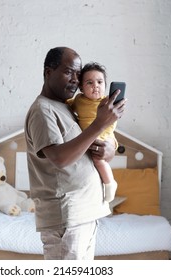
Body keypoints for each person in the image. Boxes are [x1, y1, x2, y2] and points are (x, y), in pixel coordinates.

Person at [24, 47, 126, 260]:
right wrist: (99, 124)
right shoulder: (43, 111)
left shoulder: (68, 107)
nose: (75, 79)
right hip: (67, 218)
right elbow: (60, 159)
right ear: (48, 72)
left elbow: (86, 147)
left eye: (78, 74)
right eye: (68, 72)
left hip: (84, 213)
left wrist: (109, 149)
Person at [67, 62, 118, 203]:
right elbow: (67, 105)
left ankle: (110, 184)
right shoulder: (79, 100)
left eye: (100, 82)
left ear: (105, 85)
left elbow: (112, 123)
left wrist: (100, 136)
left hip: (105, 135)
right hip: (88, 137)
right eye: (89, 82)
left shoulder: (107, 102)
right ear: (81, 88)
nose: (95, 85)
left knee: (98, 159)